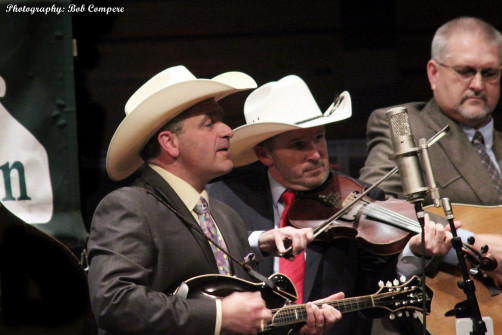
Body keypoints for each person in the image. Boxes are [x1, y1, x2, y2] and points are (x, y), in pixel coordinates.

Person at [86, 65, 343, 335]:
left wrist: (295, 325)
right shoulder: (130, 206)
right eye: (209, 123)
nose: (228, 131)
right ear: (169, 143)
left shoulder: (224, 216)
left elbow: (239, 322)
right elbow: (113, 301)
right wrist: (218, 314)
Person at [208, 75, 453, 335]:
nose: (316, 154)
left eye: (319, 138)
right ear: (265, 154)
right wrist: (261, 240)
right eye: (299, 144)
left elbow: (379, 298)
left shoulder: (362, 198)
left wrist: (413, 252)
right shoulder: (224, 199)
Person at [359, 16, 502, 287]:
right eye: (465, 71)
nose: (478, 85)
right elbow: (373, 207)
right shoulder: (405, 127)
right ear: (434, 73)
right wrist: (473, 245)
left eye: (490, 73)